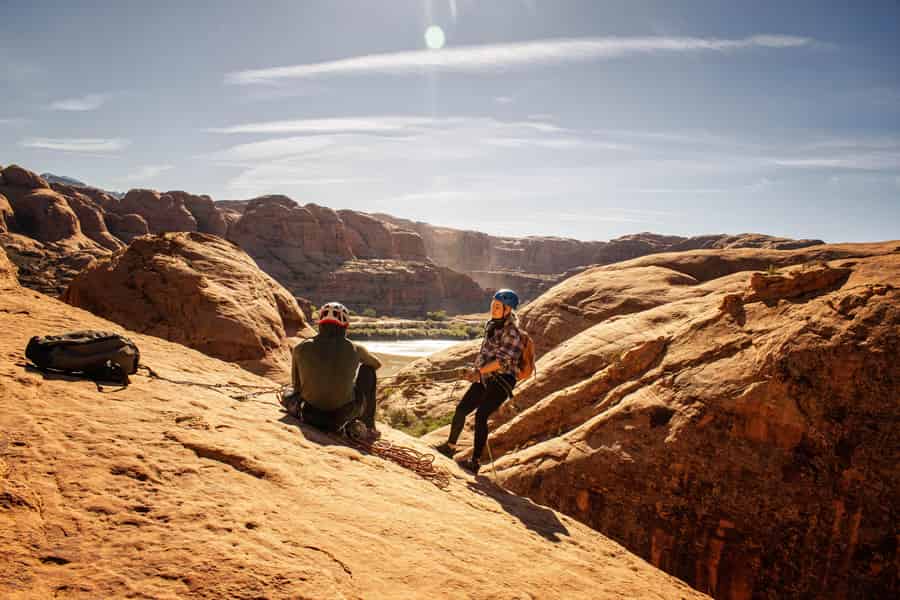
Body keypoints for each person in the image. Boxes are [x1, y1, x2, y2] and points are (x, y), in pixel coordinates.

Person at [436, 289, 524, 474]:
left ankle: (475, 462)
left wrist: (478, 371)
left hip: (502, 381)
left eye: (498, 306)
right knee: (462, 409)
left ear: (508, 309)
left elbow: (502, 361)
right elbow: (486, 355)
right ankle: (450, 447)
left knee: (481, 416)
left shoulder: (512, 333)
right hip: (485, 377)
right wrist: (476, 372)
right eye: (493, 305)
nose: (494, 309)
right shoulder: (492, 325)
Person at [281, 302, 382, 438]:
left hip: (310, 415)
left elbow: (297, 386)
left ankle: (295, 409)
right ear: (345, 325)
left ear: (320, 323)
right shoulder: (356, 349)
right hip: (341, 417)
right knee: (368, 370)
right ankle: (369, 427)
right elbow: (376, 364)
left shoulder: (300, 348)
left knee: (287, 391)